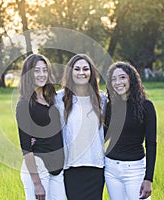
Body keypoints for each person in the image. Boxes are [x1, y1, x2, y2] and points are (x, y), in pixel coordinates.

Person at [55, 54, 106, 200]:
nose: (81, 72)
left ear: (91, 73)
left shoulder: (101, 99)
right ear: (70, 72)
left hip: (96, 166)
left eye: (85, 69)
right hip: (71, 166)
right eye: (77, 69)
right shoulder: (59, 99)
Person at [104, 61, 157, 200]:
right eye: (113, 79)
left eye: (122, 77)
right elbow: (101, 136)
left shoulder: (146, 106)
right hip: (110, 169)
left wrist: (148, 179)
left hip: (135, 170)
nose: (118, 82)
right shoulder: (110, 106)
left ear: (131, 79)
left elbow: (151, 144)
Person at [16, 54, 65, 200]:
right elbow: (26, 147)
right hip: (38, 170)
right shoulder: (24, 104)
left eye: (45, 70)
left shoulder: (51, 99)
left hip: (57, 168)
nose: (42, 74)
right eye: (37, 71)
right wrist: (36, 183)